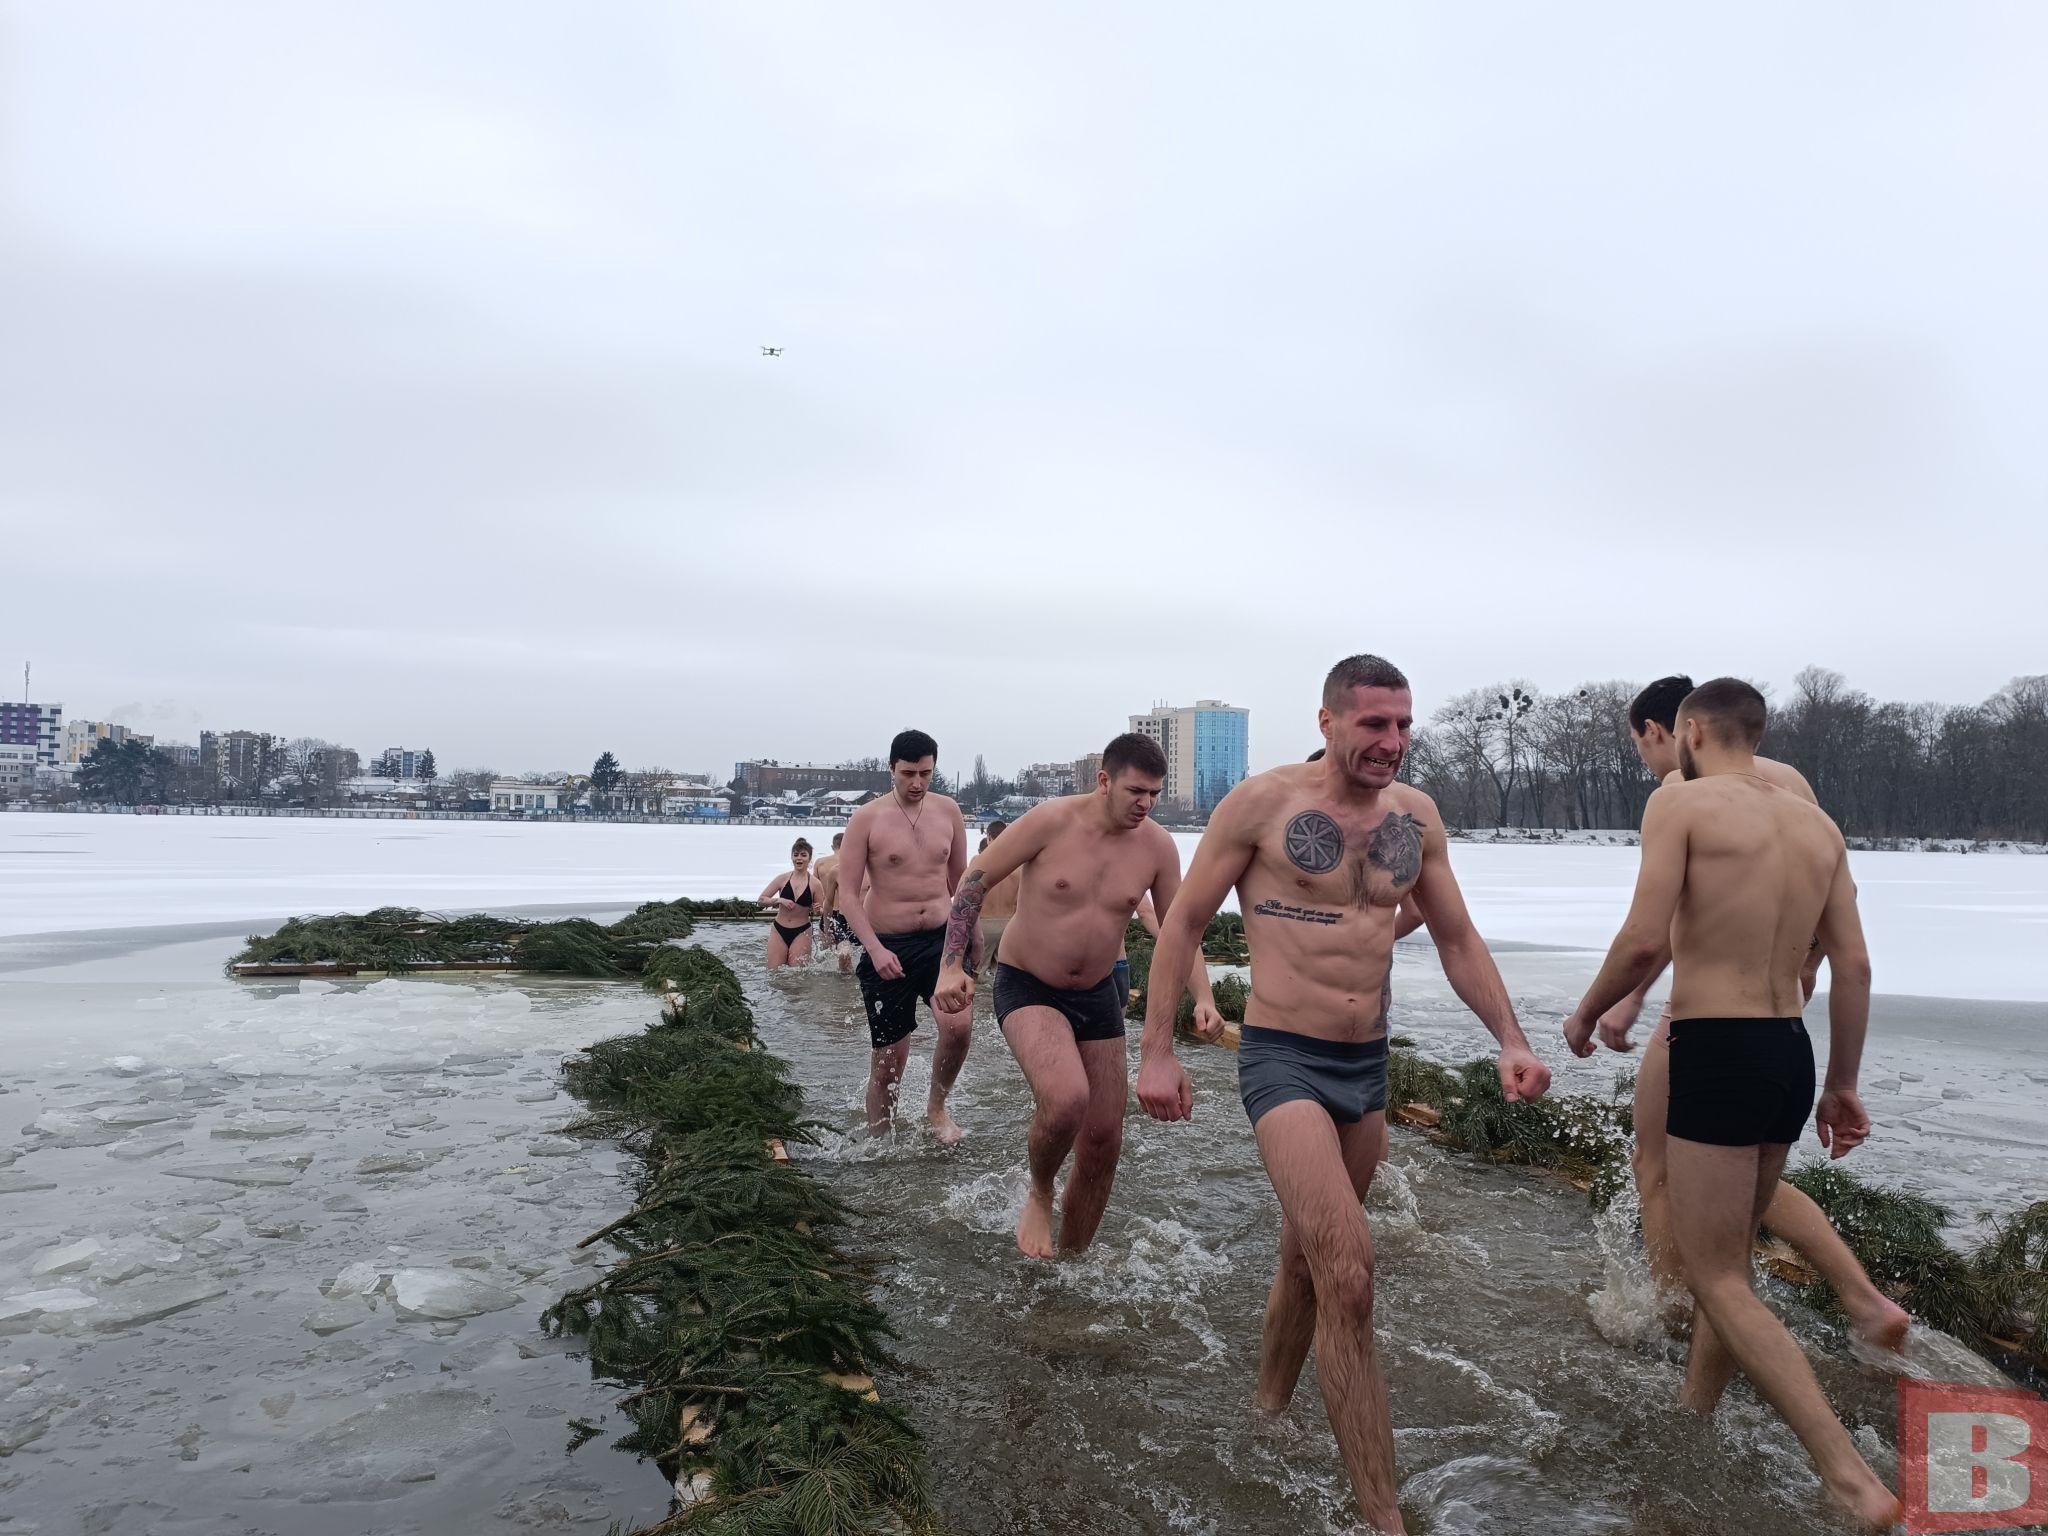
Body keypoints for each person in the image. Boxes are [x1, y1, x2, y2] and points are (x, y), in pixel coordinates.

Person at [1137, 655, 1551, 1536]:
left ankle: (1268, 1410)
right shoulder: (1261, 805)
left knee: (1306, 1261)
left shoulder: (1417, 819)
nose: (1393, 743)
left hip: (1365, 1067)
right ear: (1327, 722)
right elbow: (1181, 923)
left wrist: (1510, 1038)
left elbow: (1457, 935)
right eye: (1374, 724)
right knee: (1352, 1274)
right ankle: (1383, 1517)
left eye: (1403, 725)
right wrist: (1159, 1050)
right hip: (1282, 1056)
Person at [1560, 679, 1898, 1532]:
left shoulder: (1682, 805)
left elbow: (1644, 937)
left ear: (1694, 731)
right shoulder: (1816, 825)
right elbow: (1852, 968)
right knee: (1733, 1262)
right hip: (1790, 1051)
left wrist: (1586, 1010)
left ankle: (1848, 1480)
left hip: (1715, 1047)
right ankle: (1695, 1410)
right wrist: (1842, 1085)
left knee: (1715, 1275)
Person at [933, 735, 1222, 1258]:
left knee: (1104, 1138)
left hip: (1096, 993)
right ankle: (1040, 1192)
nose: (1146, 804)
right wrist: (952, 965)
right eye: (1136, 790)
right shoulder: (1051, 821)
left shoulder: (1156, 846)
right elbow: (974, 881)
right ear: (1104, 780)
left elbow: (1181, 928)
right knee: (1067, 1099)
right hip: (1029, 982)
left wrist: (1202, 995)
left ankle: (1071, 1262)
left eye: (1155, 793)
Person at [835, 730, 974, 1145]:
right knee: (889, 1061)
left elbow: (961, 882)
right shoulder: (867, 818)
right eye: (908, 774)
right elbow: (847, 894)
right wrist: (874, 949)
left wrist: (969, 936)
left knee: (958, 1027)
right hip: (888, 943)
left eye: (926, 773)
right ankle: (881, 1139)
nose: (917, 783)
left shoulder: (948, 811)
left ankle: (936, 1107)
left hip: (940, 940)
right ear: (891, 769)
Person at [757, 837, 817, 968]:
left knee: (796, 975)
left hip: (802, 931)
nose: (799, 858)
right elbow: (761, 900)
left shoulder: (815, 883)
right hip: (779, 929)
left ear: (809, 858)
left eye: (803, 855)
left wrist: (817, 909)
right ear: (791, 857)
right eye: (795, 855)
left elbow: (822, 909)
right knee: (774, 971)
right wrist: (779, 900)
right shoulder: (782, 879)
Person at [975, 820, 1022, 964]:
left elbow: (970, 897)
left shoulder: (979, 861)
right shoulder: (1018, 864)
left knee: (978, 974)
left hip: (984, 924)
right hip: (1008, 925)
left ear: (989, 836)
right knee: (1000, 973)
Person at [812, 832, 858, 974]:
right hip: (846, 912)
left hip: (827, 911)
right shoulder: (855, 863)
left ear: (833, 846)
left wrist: (816, 907)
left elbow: (813, 886)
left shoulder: (820, 862)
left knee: (827, 955)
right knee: (851, 952)